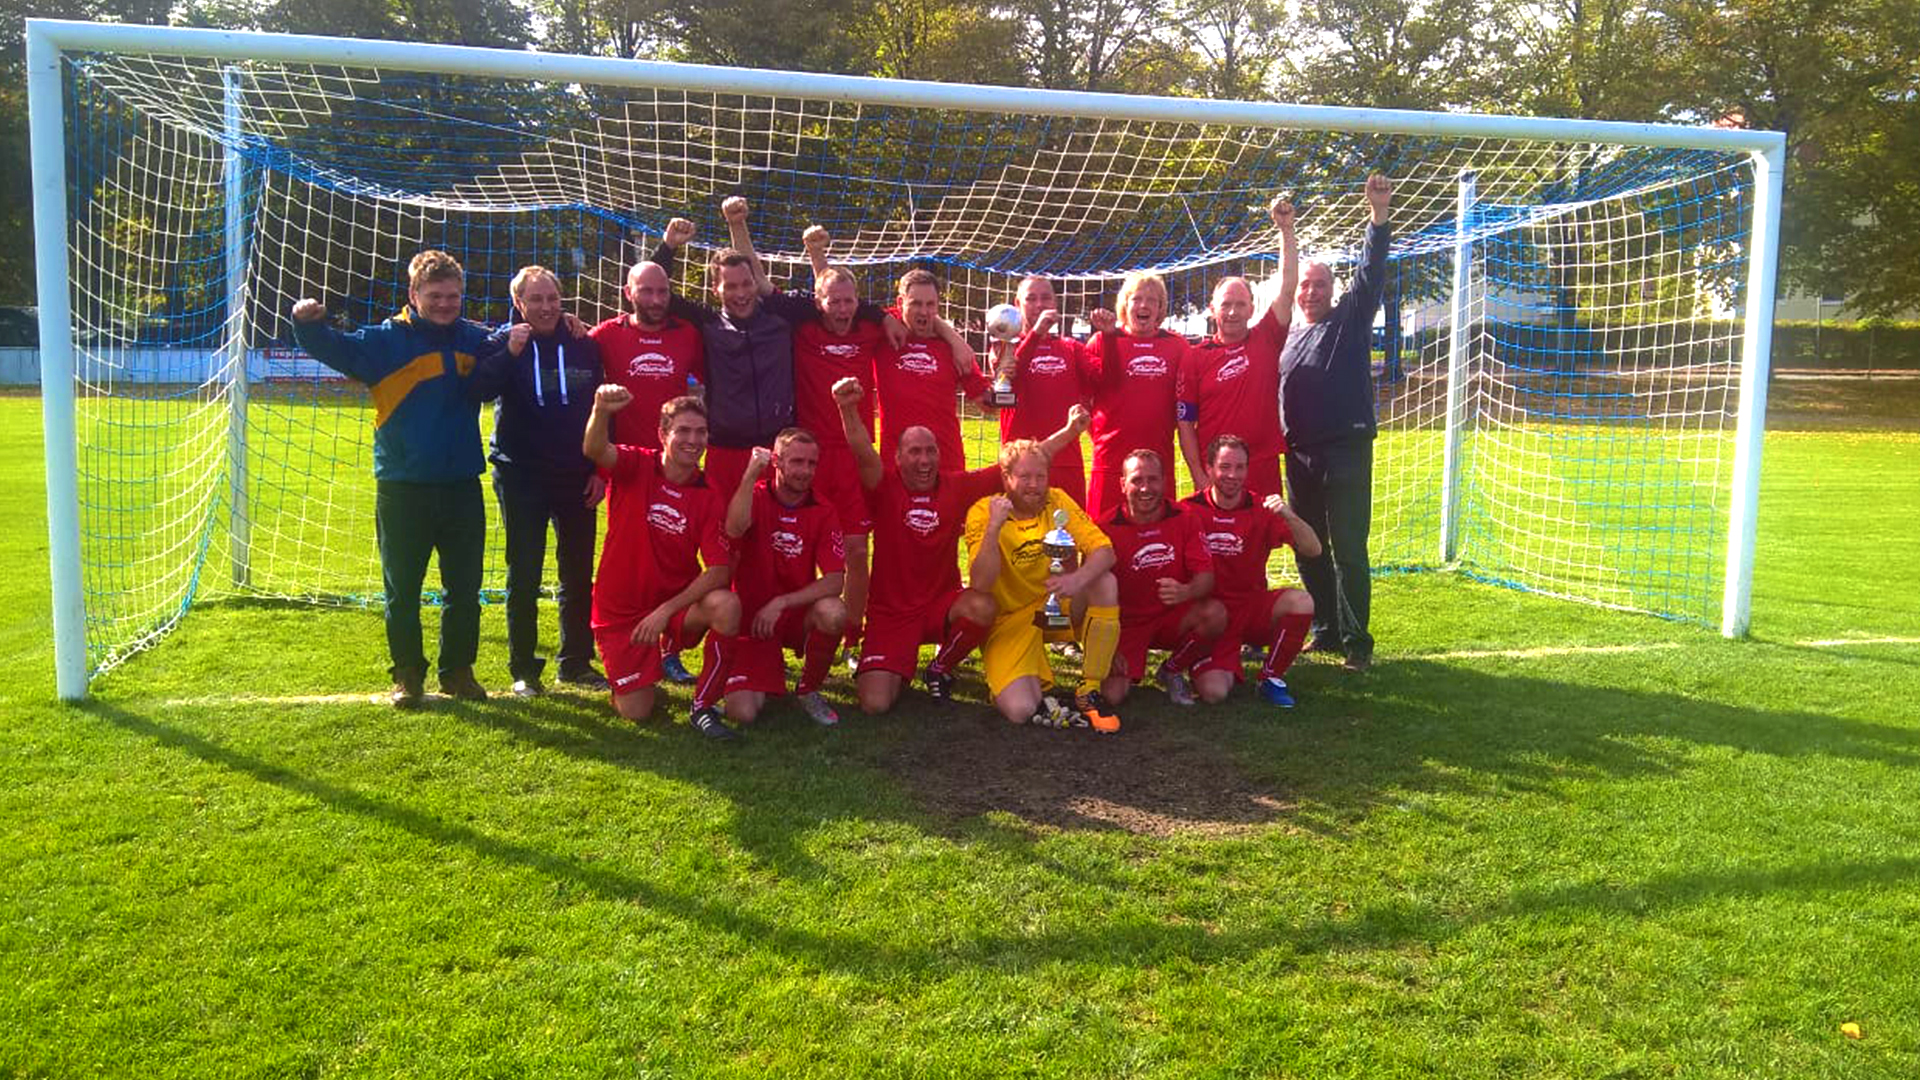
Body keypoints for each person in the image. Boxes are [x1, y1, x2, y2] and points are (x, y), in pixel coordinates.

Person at [290, 250, 494, 707]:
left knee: (464, 588)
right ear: (413, 294)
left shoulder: (474, 340)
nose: (445, 304)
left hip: (462, 483)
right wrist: (307, 324)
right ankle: (407, 675)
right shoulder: (384, 341)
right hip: (402, 486)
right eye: (436, 295)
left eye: (454, 296)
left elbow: (518, 346)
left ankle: (458, 672)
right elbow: (333, 346)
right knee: (402, 589)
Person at [837, 377, 1091, 714]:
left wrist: (1071, 430)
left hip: (942, 604)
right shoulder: (884, 487)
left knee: (982, 605)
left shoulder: (955, 487)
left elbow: (1025, 462)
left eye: (930, 451)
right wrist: (847, 408)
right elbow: (861, 451)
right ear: (897, 457)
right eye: (915, 452)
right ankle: (895, 664)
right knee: (876, 704)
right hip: (891, 614)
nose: (924, 460)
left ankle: (940, 668)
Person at [649, 197, 899, 499]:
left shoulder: (783, 316)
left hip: (778, 452)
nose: (741, 293)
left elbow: (835, 300)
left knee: (779, 542)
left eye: (746, 284)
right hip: (725, 451)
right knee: (727, 539)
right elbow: (654, 296)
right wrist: (668, 246)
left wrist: (882, 316)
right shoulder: (707, 325)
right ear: (716, 289)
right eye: (730, 286)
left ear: (755, 283)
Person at [470, 265, 610, 697]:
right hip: (521, 475)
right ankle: (523, 669)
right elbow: (478, 388)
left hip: (576, 475)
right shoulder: (503, 342)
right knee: (525, 572)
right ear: (519, 304)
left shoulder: (584, 343)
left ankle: (575, 663)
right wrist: (509, 352)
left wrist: (600, 470)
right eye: (536, 300)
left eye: (552, 298)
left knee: (577, 573)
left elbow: (604, 409)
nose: (546, 307)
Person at [582, 387, 744, 741]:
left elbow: (718, 569)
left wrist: (664, 611)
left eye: (700, 432)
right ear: (662, 434)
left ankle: (702, 705)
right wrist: (601, 410)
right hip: (621, 607)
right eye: (683, 431)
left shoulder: (709, 493)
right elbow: (594, 449)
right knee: (637, 713)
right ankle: (639, 669)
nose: (693, 440)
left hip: (671, 608)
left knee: (726, 604)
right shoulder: (636, 463)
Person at [1279, 173, 1392, 671]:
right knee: (1308, 546)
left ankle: (1356, 643)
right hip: (1299, 454)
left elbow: (1370, 274)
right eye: (1305, 285)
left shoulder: (1348, 319)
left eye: (1320, 284)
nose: (1311, 292)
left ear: (1332, 290)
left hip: (1346, 451)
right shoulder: (1287, 336)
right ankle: (1324, 628)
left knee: (1347, 548)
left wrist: (1378, 216)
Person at [965, 439, 1123, 733]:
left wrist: (1076, 578)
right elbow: (980, 584)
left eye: (1040, 476)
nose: (1035, 485)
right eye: (1025, 477)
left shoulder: (1057, 500)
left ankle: (1089, 688)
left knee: (1103, 581)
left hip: (1053, 610)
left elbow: (1105, 551)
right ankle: (1026, 675)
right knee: (1021, 710)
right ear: (1006, 478)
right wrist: (993, 529)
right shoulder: (983, 512)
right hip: (1008, 621)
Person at [795, 226, 889, 666]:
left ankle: (853, 635)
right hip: (809, 459)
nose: (843, 308)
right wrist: (817, 254)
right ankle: (794, 630)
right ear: (819, 303)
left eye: (850, 300)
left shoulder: (869, 332)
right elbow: (818, 285)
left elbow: (910, 313)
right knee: (797, 546)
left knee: (856, 550)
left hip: (854, 457)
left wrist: (949, 335)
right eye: (834, 301)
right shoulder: (803, 332)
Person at [713, 432, 848, 727]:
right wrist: (749, 475)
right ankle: (755, 672)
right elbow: (734, 529)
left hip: (792, 616)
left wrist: (782, 602)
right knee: (743, 713)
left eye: (812, 463)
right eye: (797, 462)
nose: (805, 471)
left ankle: (809, 689)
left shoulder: (823, 509)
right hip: (751, 622)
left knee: (833, 612)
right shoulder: (756, 496)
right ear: (776, 461)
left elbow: (836, 580)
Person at [1183, 435, 1322, 707]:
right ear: (1209, 468)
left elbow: (1314, 549)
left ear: (1248, 469)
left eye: (1240, 467)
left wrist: (1288, 515)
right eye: (1224, 467)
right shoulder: (1188, 510)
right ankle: (1207, 658)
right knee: (1214, 693)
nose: (1232, 475)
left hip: (1250, 609)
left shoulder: (1262, 508)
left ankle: (1270, 678)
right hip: (1212, 617)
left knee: (1301, 601)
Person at [1177, 198, 1299, 497]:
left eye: (1239, 305)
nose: (1232, 312)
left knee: (1260, 543)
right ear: (1212, 309)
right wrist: (1199, 475)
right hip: (1216, 471)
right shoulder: (1194, 358)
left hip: (1261, 466)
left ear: (1250, 308)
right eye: (1225, 305)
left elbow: (1287, 286)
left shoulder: (1267, 337)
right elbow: (1184, 424)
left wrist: (1286, 230)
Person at [1097, 449, 1227, 707]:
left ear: (1165, 481)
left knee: (1215, 613)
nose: (1146, 488)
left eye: (1153, 479)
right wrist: (1106, 646)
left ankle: (1172, 668)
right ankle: (1127, 663)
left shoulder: (1185, 518)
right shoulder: (1104, 527)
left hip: (1172, 618)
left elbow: (1206, 578)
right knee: (1112, 696)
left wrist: (1186, 591)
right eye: (1137, 480)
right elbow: (1094, 596)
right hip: (1128, 624)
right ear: (1123, 484)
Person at [588, 218, 705, 449]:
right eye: (647, 292)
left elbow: (713, 382)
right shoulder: (607, 334)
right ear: (628, 293)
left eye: (663, 292)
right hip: (624, 458)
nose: (656, 300)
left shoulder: (688, 334)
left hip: (674, 460)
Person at [873, 269, 990, 471]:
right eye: (916, 303)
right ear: (900, 303)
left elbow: (988, 404)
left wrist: (1006, 378)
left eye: (930, 304)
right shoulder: (883, 336)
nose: (924, 312)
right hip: (897, 466)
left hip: (946, 463)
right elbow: (840, 302)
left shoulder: (954, 350)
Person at [1085, 273, 1180, 521]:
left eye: (1152, 300)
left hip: (1159, 463)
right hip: (1109, 463)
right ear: (1125, 305)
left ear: (1161, 308)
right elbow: (1082, 401)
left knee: (1158, 539)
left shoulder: (1177, 347)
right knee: (1101, 537)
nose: (1144, 305)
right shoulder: (1100, 341)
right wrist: (1102, 437)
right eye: (1137, 299)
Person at [1001, 276, 1099, 507]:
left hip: (1067, 463)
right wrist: (1035, 333)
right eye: (1031, 299)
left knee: (1068, 538)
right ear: (1017, 304)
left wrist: (1110, 337)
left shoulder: (1072, 348)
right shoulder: (1005, 344)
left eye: (1046, 298)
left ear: (1055, 304)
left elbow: (1104, 381)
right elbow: (1007, 379)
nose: (1039, 304)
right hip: (1021, 465)